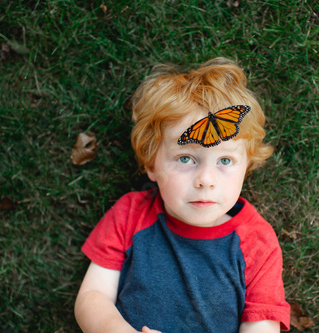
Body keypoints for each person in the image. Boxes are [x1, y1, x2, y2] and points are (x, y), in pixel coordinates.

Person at [74, 57, 290, 333]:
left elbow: (261, 326)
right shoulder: (130, 214)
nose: (205, 180)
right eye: (186, 158)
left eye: (224, 161)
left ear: (245, 167)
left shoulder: (257, 241)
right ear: (152, 163)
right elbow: (93, 296)